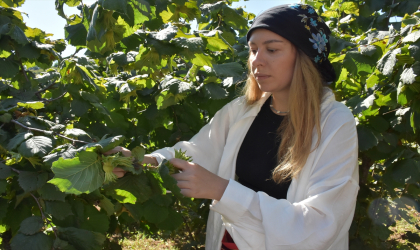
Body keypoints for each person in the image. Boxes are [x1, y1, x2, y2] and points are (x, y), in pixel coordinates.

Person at [109, 3, 359, 250]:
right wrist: (143, 162)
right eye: (252, 50)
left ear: (304, 56)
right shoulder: (243, 110)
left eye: (272, 50)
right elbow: (196, 151)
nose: (256, 61)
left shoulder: (334, 122)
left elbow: (320, 225)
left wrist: (222, 190)